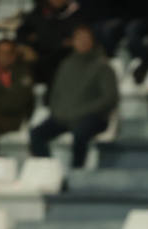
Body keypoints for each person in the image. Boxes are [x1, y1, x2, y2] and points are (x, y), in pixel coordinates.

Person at [29, 24, 115, 169]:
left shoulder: (103, 66)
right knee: (36, 134)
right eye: (78, 38)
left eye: (85, 38)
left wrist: (84, 111)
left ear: (92, 41)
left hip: (92, 117)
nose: (82, 42)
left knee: (80, 134)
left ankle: (77, 172)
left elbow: (110, 98)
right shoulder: (66, 64)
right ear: (73, 41)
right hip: (63, 116)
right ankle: (50, 170)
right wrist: (57, 111)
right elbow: (55, 94)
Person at [17, 0, 89, 89]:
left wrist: (41, 37)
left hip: (65, 58)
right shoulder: (39, 11)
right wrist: (25, 46)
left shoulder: (75, 13)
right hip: (39, 57)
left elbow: (75, 38)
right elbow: (22, 32)